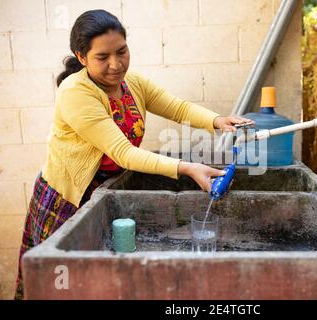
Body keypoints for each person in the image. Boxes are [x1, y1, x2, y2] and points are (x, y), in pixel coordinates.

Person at [14, 9, 253, 299]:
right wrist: (188, 168)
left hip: (106, 189)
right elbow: (123, 153)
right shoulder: (75, 92)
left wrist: (217, 120)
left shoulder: (133, 84)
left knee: (96, 282)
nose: (116, 64)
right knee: (61, 282)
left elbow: (177, 107)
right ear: (81, 57)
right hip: (68, 199)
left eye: (122, 51)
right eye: (103, 57)